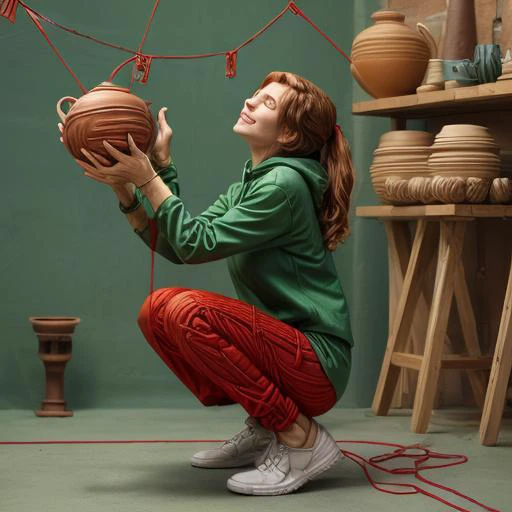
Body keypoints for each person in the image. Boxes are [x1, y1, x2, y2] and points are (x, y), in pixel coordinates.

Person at [68, 70, 355, 496]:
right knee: (158, 312)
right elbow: (178, 243)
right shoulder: (252, 181)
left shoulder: (282, 185)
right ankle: (265, 425)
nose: (252, 101)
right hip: (286, 353)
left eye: (268, 104)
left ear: (290, 134)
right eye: (256, 95)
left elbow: (193, 243)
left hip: (316, 363)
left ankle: (300, 438)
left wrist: (150, 177)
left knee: (185, 311)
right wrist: (131, 188)